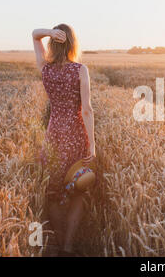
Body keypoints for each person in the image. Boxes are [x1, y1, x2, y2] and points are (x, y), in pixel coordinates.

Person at [32, 24, 95, 256]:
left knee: (54, 192)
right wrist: (92, 145)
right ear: (72, 44)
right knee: (78, 191)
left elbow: (34, 34)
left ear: (53, 44)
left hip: (54, 136)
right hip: (77, 135)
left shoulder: (45, 69)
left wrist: (48, 31)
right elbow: (86, 110)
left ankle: (57, 244)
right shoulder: (80, 70)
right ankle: (68, 246)